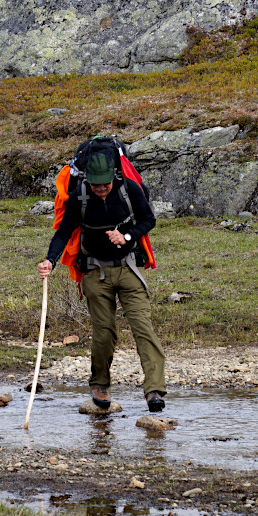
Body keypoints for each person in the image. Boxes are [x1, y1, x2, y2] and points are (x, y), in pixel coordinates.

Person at [36, 148, 167, 413]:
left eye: (106, 184)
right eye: (96, 185)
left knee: (143, 328)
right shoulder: (80, 195)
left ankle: (154, 390)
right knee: (104, 332)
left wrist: (127, 237)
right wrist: (50, 259)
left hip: (128, 268)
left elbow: (148, 220)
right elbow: (63, 233)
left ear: (114, 176)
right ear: (88, 181)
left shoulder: (129, 189)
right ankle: (100, 384)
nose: (102, 190)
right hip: (95, 272)